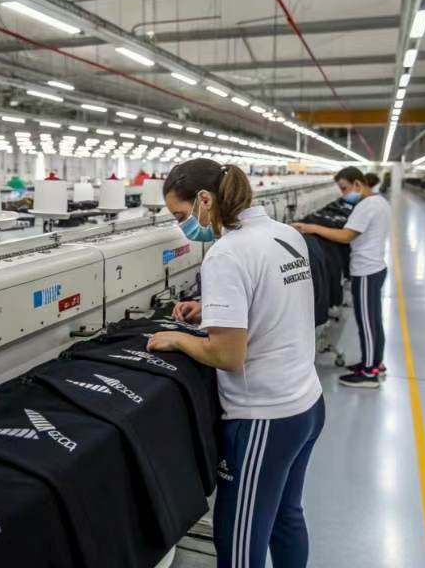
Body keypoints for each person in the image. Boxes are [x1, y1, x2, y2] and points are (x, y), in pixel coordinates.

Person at [147, 158, 325, 568]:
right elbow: (272, 298)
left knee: (238, 542)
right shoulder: (285, 235)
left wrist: (179, 339)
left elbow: (227, 356)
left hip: (264, 417)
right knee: (286, 516)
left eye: (180, 214)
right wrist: (211, 307)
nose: (181, 225)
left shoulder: (226, 253)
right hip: (307, 404)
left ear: (204, 200)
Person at [294, 167, 390, 389]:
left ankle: (369, 374)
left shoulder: (366, 206)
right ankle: (374, 363)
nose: (344, 193)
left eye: (345, 188)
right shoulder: (379, 201)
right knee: (373, 320)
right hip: (373, 268)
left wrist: (310, 227)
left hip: (366, 271)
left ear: (358, 183)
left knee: (367, 323)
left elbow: (345, 236)